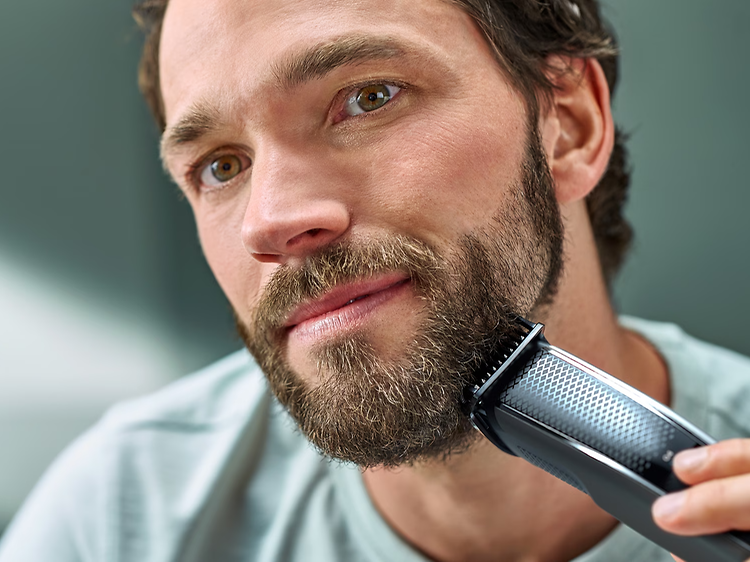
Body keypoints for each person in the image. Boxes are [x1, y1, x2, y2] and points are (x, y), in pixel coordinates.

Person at [2, 0, 750, 561]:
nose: (271, 221)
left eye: (367, 97)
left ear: (569, 125)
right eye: (220, 167)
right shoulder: (120, 519)